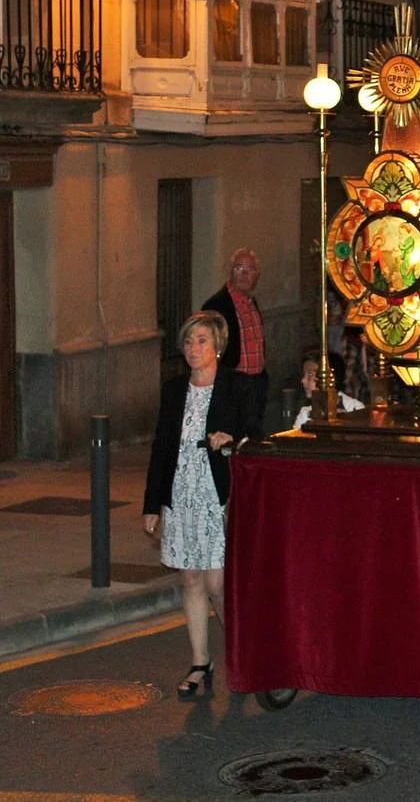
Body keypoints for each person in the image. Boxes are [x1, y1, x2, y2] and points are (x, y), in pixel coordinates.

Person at [142, 311, 261, 697]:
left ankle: (242, 655)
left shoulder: (238, 387)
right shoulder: (175, 389)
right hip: (181, 491)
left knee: (217, 582)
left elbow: (256, 437)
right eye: (189, 341)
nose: (194, 348)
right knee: (190, 578)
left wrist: (231, 441)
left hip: (218, 493)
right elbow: (162, 447)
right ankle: (200, 662)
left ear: (218, 347)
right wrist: (152, 504)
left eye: (202, 341)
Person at [201, 247, 268, 424]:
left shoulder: (251, 301)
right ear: (230, 271)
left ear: (257, 275)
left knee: (252, 431)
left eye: (250, 270)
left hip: (256, 382)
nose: (244, 275)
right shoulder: (217, 305)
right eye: (239, 268)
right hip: (233, 382)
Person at [292, 352, 364, 429]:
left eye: (310, 375)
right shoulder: (305, 413)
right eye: (304, 375)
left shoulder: (355, 408)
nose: (303, 380)